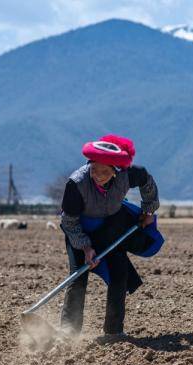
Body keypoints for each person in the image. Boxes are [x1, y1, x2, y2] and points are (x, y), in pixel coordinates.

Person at [59, 134, 162, 343]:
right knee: (78, 278)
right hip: (80, 230)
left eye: (105, 172)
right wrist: (86, 247)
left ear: (116, 171)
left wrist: (149, 210)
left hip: (111, 228)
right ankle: (68, 333)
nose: (98, 175)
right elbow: (69, 221)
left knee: (119, 275)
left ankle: (113, 332)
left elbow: (147, 182)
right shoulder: (76, 184)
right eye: (94, 169)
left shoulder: (129, 174)